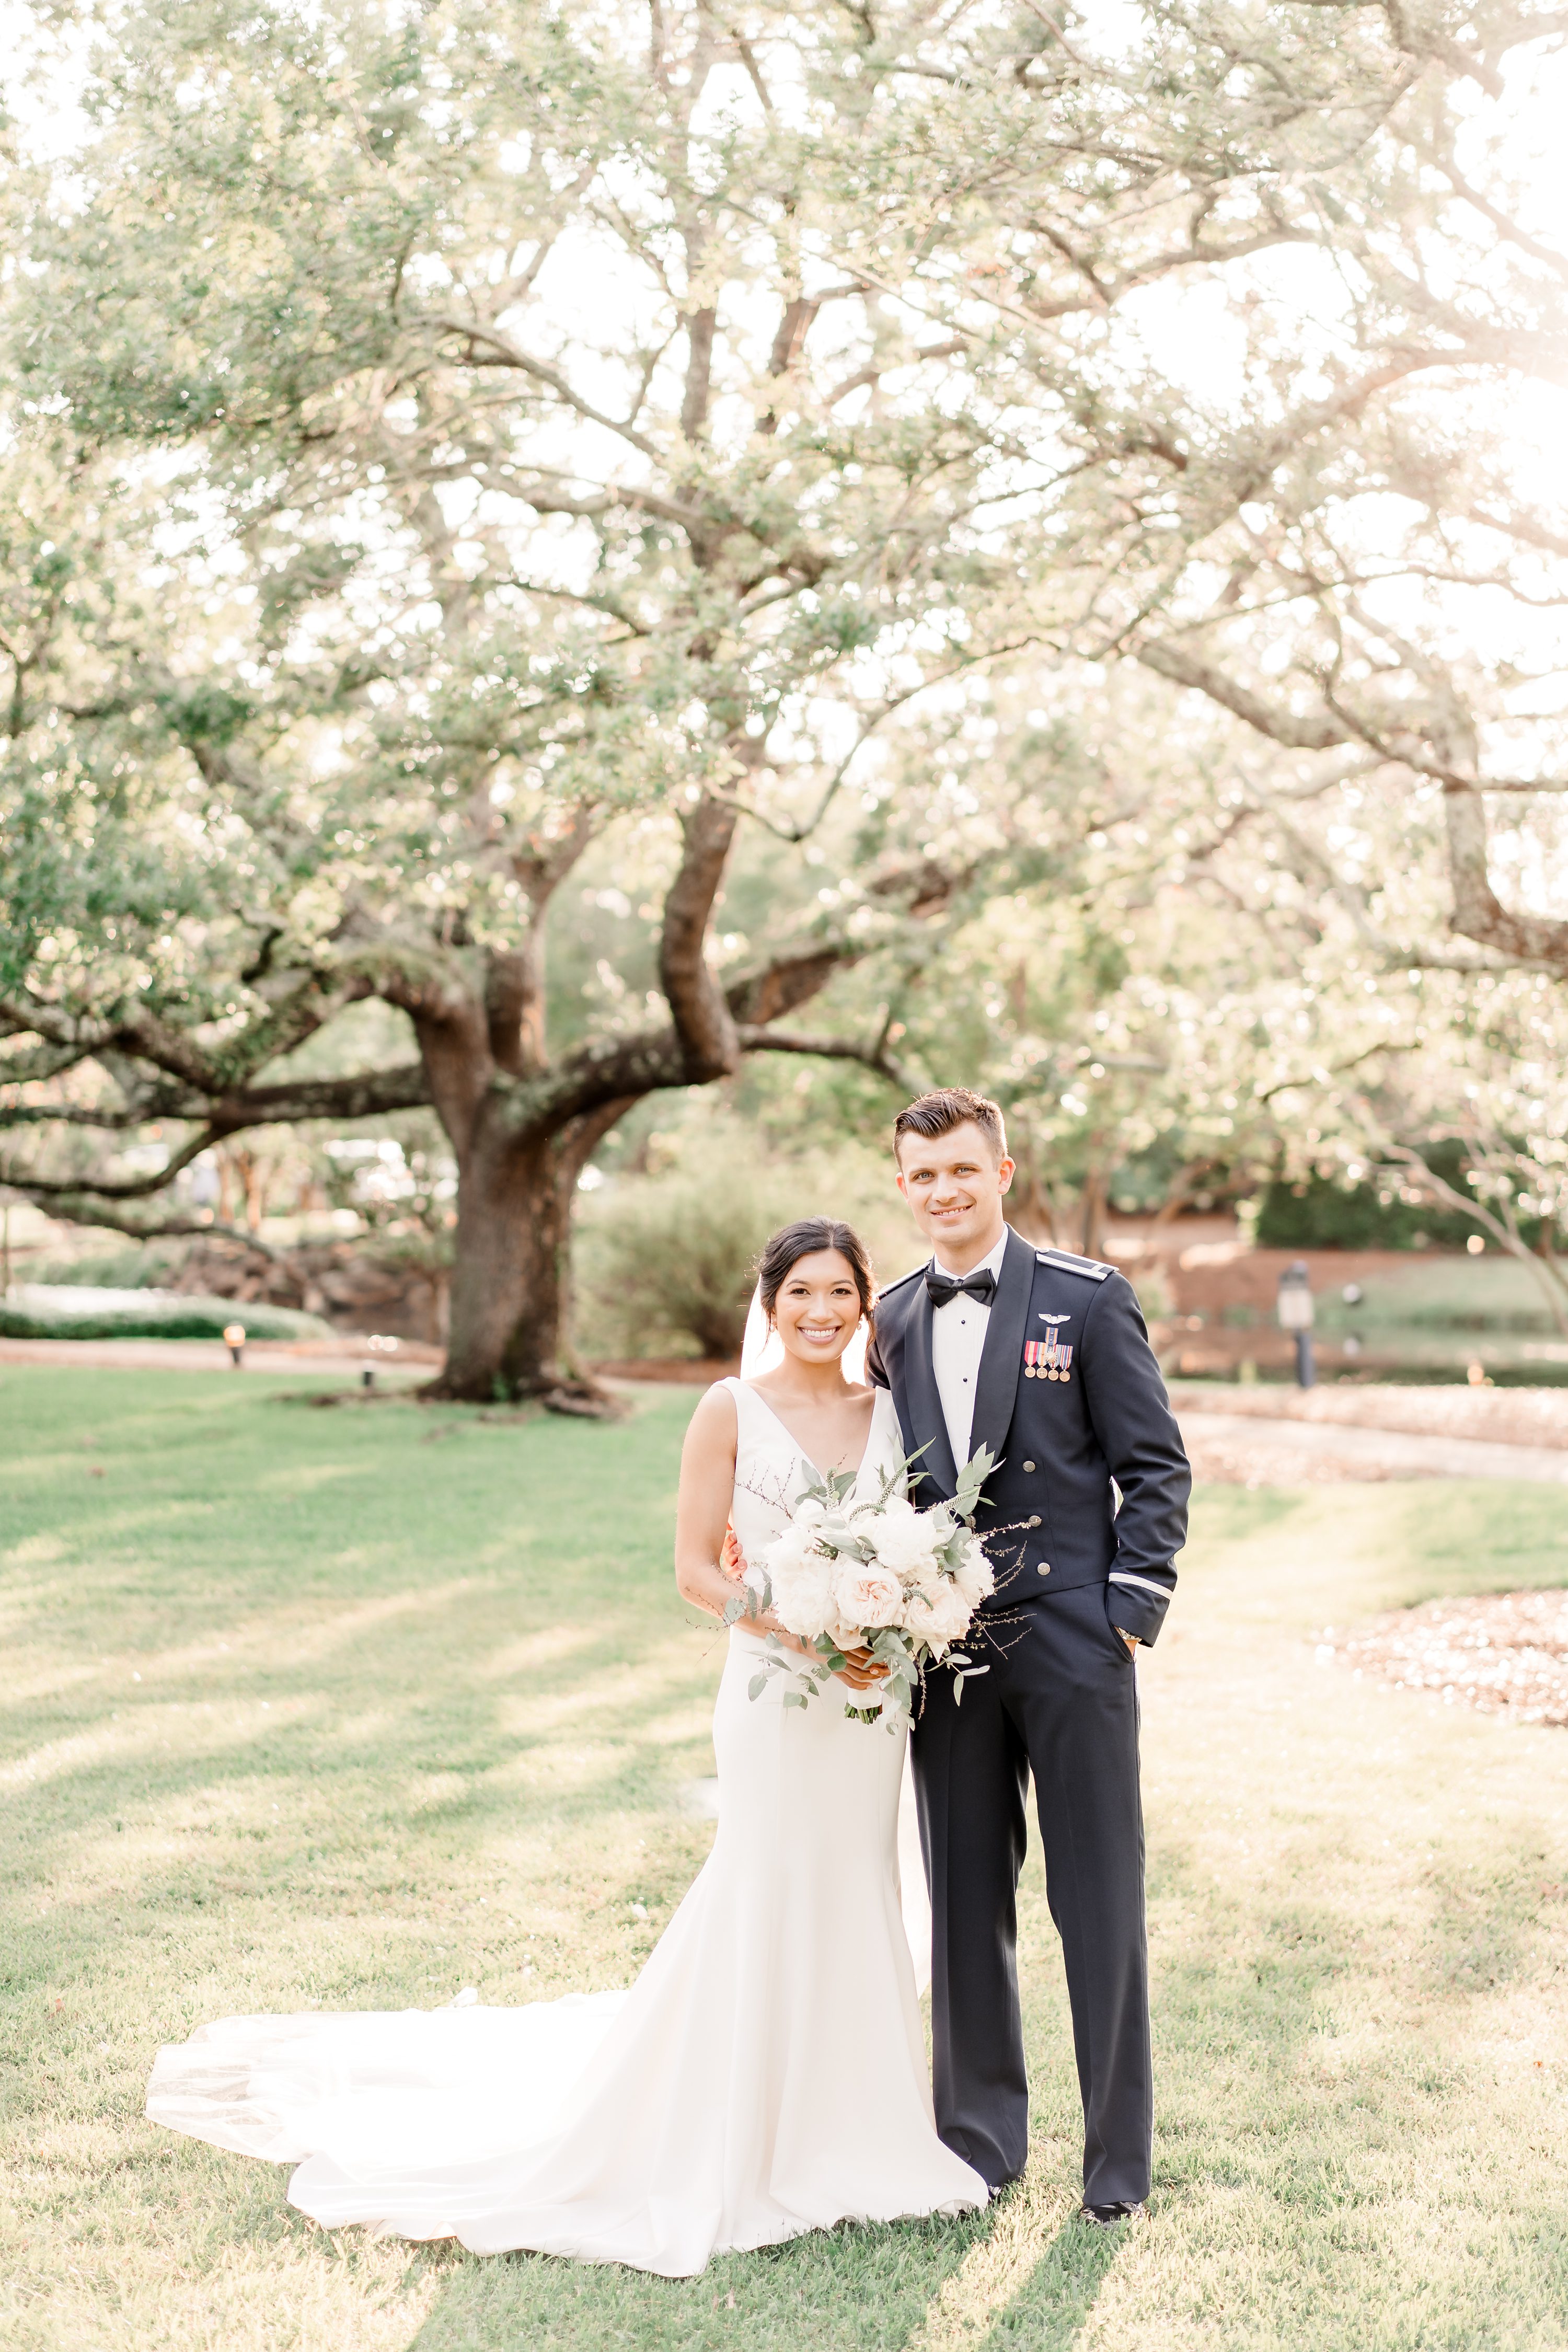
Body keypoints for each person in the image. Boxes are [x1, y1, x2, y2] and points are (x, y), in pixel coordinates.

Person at [145, 1218, 986, 2277]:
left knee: (855, 1881)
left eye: (839, 1293)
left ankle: (856, 2126)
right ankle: (741, 2133)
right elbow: (694, 1572)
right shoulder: (730, 1410)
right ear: (768, 1302)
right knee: (766, 1879)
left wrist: (890, 1624)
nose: (821, 1312)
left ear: (867, 1303)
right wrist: (807, 1626)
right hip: (775, 1695)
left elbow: (911, 1549)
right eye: (800, 1293)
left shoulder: (891, 1414)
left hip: (868, 1705)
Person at [866, 1089, 1190, 2226]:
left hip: (1072, 1640)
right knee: (963, 1900)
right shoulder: (893, 1318)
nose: (943, 1190)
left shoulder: (1087, 1300)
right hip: (944, 1657)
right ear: (901, 1186)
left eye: (963, 1170)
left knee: (1098, 1898)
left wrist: (1129, 1611)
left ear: (1004, 1174)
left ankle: (1115, 2169)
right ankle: (978, 2147)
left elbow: (1155, 1466)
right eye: (922, 1175)